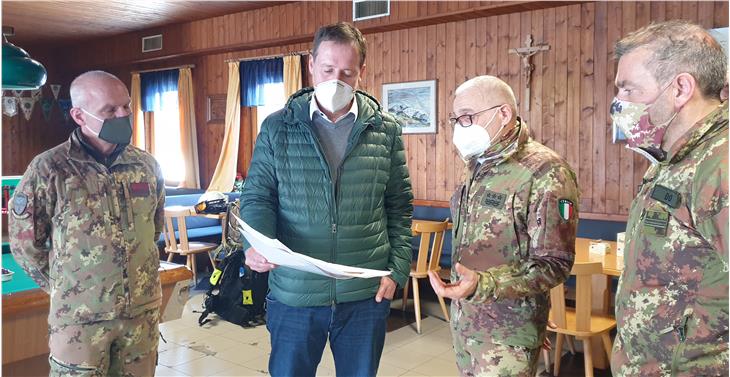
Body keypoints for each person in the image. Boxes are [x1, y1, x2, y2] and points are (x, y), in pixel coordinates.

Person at [240, 22, 413, 377]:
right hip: (295, 293)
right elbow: (258, 197)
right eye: (328, 69)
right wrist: (254, 244)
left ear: (361, 72)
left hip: (364, 294)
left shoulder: (386, 129)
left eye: (348, 72)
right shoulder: (277, 127)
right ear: (311, 65)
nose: (338, 79)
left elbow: (399, 206)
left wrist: (397, 269)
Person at [8, 70, 165, 376]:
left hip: (141, 313)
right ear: (79, 116)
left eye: (126, 106)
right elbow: (26, 244)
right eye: (110, 110)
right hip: (80, 318)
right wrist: (68, 287)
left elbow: (153, 227)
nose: (123, 115)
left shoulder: (146, 164)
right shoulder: (49, 168)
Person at [428, 75, 579, 376]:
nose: (460, 127)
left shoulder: (546, 171)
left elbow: (554, 263)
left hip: (509, 331)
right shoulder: (478, 164)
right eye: (456, 119)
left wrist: (486, 285)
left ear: (504, 114)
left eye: (468, 117)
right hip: (467, 321)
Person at [609, 20, 728, 376]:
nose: (619, 103)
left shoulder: (719, 165)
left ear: (680, 88)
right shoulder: (672, 157)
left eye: (628, 89)